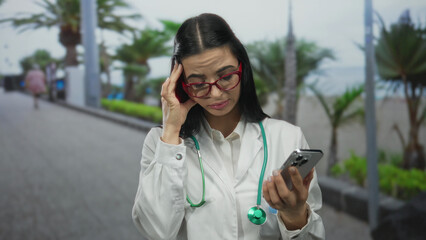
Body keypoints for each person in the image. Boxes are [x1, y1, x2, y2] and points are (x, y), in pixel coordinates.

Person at [132, 13, 325, 240]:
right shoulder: (161, 144)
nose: (215, 93)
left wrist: (294, 217)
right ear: (181, 84)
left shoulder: (287, 137)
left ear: (242, 68)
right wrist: (172, 131)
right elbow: (156, 232)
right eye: (198, 84)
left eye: (226, 76)